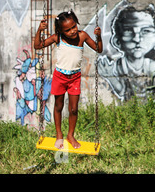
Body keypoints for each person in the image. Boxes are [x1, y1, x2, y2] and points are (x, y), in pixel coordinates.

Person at [34, 10, 103, 150]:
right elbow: (37, 46)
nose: (72, 31)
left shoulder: (82, 35)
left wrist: (99, 37)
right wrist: (39, 31)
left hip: (74, 78)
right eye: (68, 30)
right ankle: (59, 134)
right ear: (61, 30)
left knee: (73, 109)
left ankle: (70, 135)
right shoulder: (57, 38)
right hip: (60, 77)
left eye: (73, 26)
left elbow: (98, 49)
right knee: (58, 106)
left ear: (76, 23)